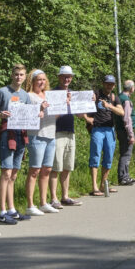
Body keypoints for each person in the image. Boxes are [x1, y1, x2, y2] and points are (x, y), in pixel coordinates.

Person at [0, 64, 30, 225]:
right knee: (6, 173)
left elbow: (30, 115)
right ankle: (2, 211)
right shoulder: (3, 92)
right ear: (11, 75)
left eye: (21, 75)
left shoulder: (25, 95)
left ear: (25, 76)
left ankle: (11, 209)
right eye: (16, 74)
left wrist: (39, 113)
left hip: (21, 134)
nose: (18, 77)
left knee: (14, 174)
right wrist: (1, 114)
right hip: (7, 133)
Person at [23, 70, 60, 215]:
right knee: (35, 170)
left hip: (51, 135)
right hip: (36, 136)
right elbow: (25, 116)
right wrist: (39, 109)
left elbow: (53, 116)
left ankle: (43, 202)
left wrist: (64, 106)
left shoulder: (49, 95)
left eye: (44, 79)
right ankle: (30, 205)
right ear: (32, 81)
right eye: (38, 79)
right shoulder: (29, 96)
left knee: (47, 170)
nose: (42, 82)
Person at [48, 66, 84, 207]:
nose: (67, 79)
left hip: (70, 132)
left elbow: (81, 115)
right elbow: (50, 115)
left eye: (69, 76)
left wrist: (88, 103)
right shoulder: (53, 93)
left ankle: (65, 196)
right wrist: (64, 102)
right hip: (57, 132)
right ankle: (53, 198)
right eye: (64, 76)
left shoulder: (73, 94)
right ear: (59, 77)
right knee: (56, 167)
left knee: (67, 166)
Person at [83, 75, 124, 195]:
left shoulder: (114, 97)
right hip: (97, 129)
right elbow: (82, 105)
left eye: (111, 84)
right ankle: (94, 186)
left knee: (109, 157)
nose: (109, 86)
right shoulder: (95, 94)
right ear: (103, 83)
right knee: (95, 156)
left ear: (114, 85)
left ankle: (103, 185)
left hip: (110, 130)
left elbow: (121, 112)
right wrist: (87, 118)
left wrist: (109, 106)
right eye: (107, 83)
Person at [116, 79, 135, 186]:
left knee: (125, 153)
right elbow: (127, 118)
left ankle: (126, 175)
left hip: (120, 129)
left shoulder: (119, 97)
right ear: (131, 88)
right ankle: (123, 177)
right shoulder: (126, 100)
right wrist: (131, 134)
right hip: (125, 130)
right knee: (126, 154)